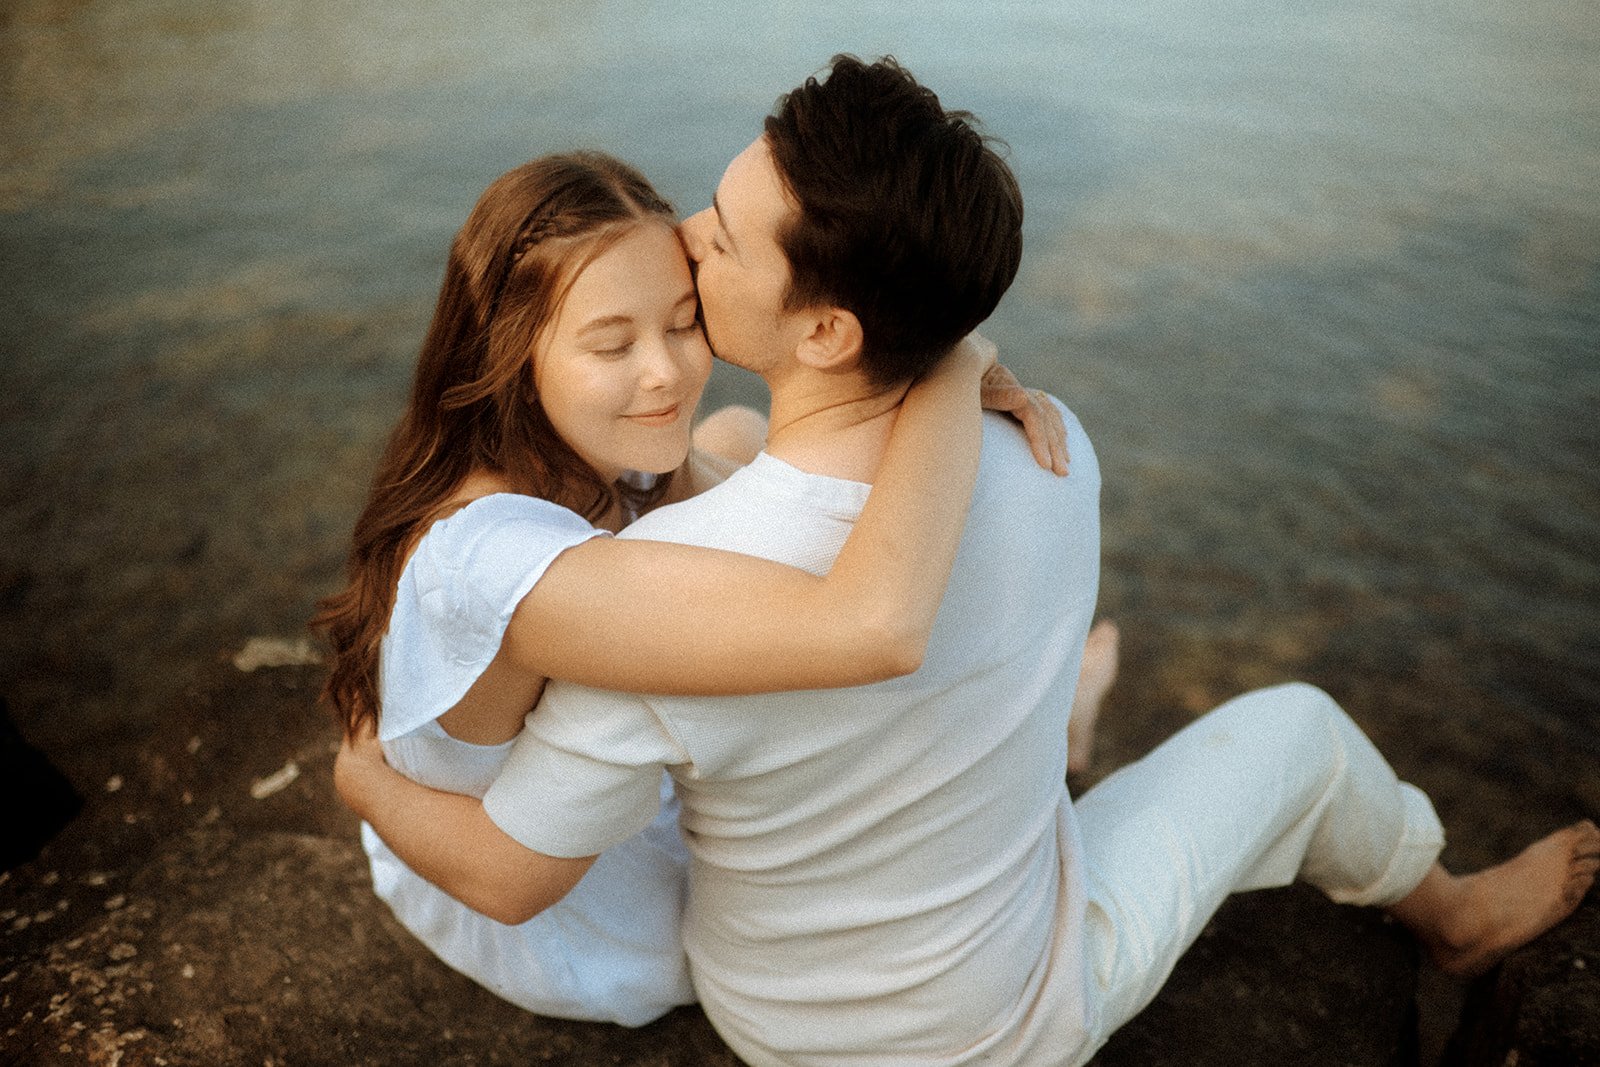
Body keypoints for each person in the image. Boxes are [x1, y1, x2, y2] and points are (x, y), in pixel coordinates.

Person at [337, 56, 1600, 1065]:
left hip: (777, 1018)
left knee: (891, 666)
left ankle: (1081, 748)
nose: (688, 239)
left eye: (720, 238)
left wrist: (360, 773)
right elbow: (879, 597)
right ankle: (1450, 913)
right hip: (980, 1022)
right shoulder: (1056, 455)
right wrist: (953, 347)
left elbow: (517, 865)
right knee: (1302, 733)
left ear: (828, 327)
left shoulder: (655, 606)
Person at [311, 149, 1074, 1026]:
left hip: (588, 791)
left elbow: (765, 496)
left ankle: (1065, 713)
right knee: (763, 484)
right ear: (512, 352)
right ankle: (1066, 717)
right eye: (612, 343)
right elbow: (872, 625)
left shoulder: (584, 455)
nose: (666, 371)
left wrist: (895, 354)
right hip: (578, 912)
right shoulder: (505, 567)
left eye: (683, 323)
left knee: (743, 428)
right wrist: (945, 357)